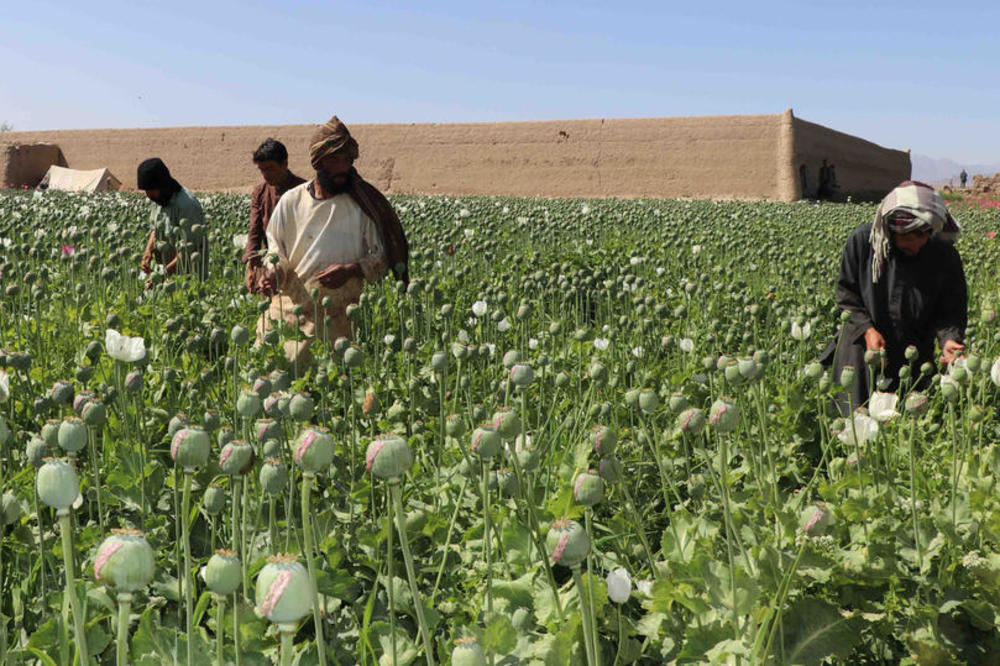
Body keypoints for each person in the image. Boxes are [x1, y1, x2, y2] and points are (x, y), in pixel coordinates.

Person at [257, 115, 409, 367]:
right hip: (288, 312)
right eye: (334, 161)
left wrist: (352, 270)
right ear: (319, 163)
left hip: (336, 320)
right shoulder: (291, 201)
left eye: (346, 161)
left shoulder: (361, 207)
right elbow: (275, 249)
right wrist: (273, 272)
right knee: (271, 376)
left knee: (329, 389)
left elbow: (382, 257)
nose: (342, 168)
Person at [828, 181, 966, 413]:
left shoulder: (943, 254)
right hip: (863, 350)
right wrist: (867, 330)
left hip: (913, 354)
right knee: (852, 421)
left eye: (924, 235)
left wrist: (949, 340)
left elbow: (950, 311)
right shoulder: (864, 243)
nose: (918, 244)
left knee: (909, 424)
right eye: (909, 238)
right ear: (890, 230)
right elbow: (846, 297)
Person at [243, 138, 305, 292]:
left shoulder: (304, 191)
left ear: (284, 164)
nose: (265, 174)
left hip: (299, 266)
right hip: (270, 265)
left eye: (270, 168)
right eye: (262, 169)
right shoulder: (260, 192)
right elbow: (254, 231)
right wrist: (250, 265)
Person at [137, 158, 208, 281]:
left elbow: (188, 251)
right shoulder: (157, 200)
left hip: (190, 278)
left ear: (162, 184)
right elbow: (156, 229)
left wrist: (163, 275)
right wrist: (148, 251)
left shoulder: (187, 205)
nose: (149, 195)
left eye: (151, 191)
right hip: (165, 274)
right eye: (146, 191)